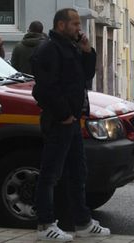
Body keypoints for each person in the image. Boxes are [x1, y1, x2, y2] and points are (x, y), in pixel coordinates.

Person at [31, 8, 110, 241]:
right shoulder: (48, 50)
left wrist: (87, 52)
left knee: (78, 172)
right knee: (50, 173)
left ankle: (82, 222)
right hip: (59, 121)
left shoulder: (70, 48)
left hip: (73, 121)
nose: (79, 28)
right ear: (61, 25)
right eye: (75, 24)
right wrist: (64, 114)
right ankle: (45, 224)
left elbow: (83, 77)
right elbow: (45, 88)